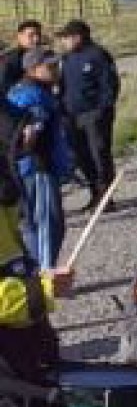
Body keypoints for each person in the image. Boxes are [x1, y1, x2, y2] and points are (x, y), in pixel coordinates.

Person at [0, 103, 71, 407]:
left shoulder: (5, 199)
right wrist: (42, 290)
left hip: (23, 373)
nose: (27, 142)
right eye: (18, 136)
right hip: (4, 385)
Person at [5, 54, 70, 271]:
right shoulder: (32, 95)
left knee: (42, 224)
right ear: (33, 69)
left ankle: (38, 273)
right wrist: (31, 153)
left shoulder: (34, 91)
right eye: (49, 66)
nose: (55, 69)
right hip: (37, 168)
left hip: (37, 167)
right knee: (46, 226)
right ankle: (43, 275)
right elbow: (28, 135)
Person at [53, 22, 117, 205]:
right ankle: (94, 192)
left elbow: (109, 86)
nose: (64, 41)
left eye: (66, 37)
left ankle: (106, 197)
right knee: (81, 156)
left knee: (99, 154)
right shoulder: (66, 58)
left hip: (94, 115)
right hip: (71, 116)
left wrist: (102, 110)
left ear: (78, 36)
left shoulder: (98, 55)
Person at [0, 23, 42, 97]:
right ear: (20, 36)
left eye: (38, 35)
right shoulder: (10, 59)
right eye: (31, 35)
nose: (36, 39)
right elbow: (3, 87)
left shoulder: (42, 55)